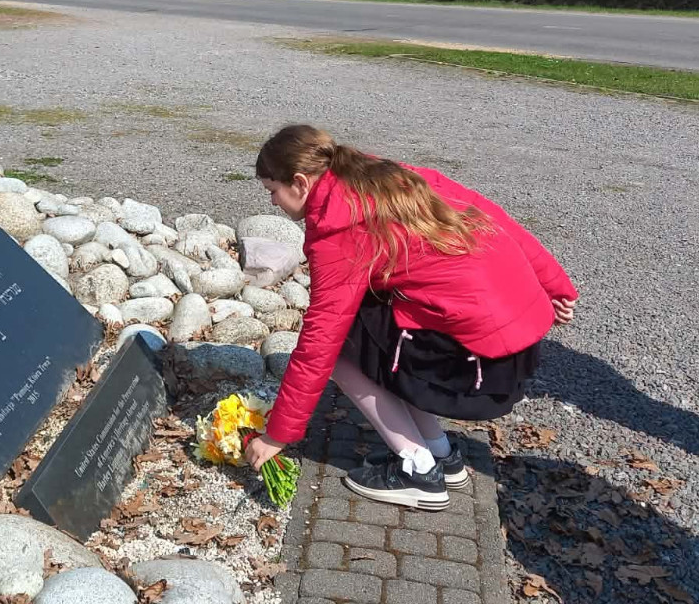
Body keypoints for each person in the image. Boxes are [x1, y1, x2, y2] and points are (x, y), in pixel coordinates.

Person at [243, 125, 577, 509]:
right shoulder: (393, 177)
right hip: (512, 345)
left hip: (478, 365)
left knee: (342, 347)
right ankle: (440, 454)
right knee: (372, 318)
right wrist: (555, 286)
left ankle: (417, 470)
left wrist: (278, 435)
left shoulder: (337, 230)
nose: (273, 202)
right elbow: (496, 218)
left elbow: (321, 338)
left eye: (272, 190)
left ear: (301, 183)